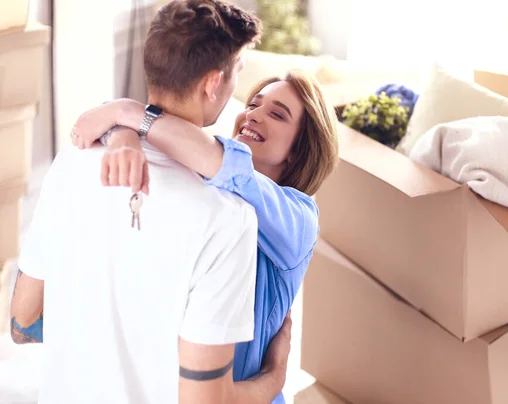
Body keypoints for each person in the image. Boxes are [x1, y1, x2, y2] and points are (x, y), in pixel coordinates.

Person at [10, 1, 293, 403]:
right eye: (238, 75)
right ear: (213, 84)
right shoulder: (228, 219)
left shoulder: (71, 164)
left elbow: (22, 323)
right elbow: (205, 401)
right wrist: (275, 377)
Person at [70, 53, 339, 404]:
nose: (253, 114)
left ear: (298, 150)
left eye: (276, 114)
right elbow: (103, 123)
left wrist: (125, 112)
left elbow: (231, 167)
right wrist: (125, 134)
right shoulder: (204, 173)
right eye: (254, 104)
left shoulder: (299, 217)